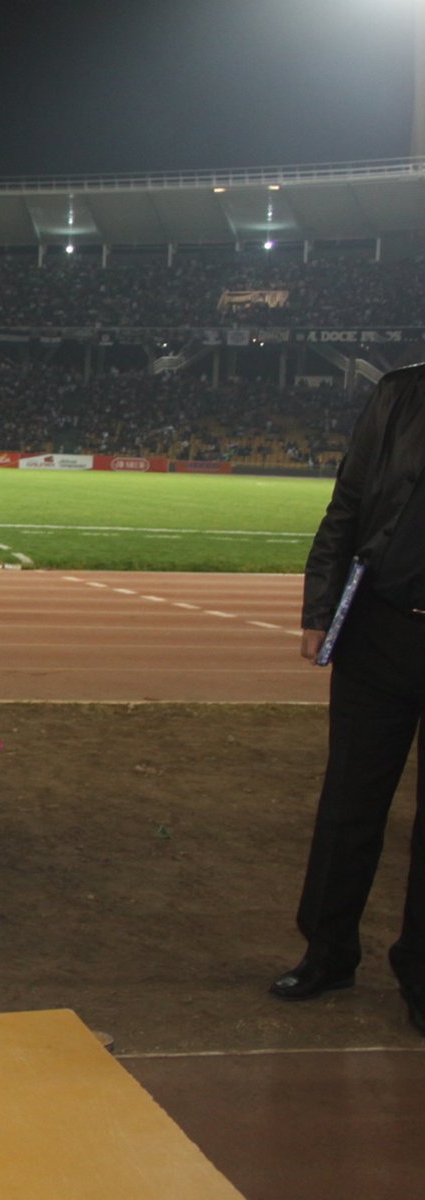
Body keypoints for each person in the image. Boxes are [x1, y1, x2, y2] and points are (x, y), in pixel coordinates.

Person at [273, 361, 425, 1036]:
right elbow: (350, 502)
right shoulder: (400, 394)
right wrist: (319, 607)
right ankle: (328, 952)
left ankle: (419, 972)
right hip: (380, 630)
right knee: (350, 803)